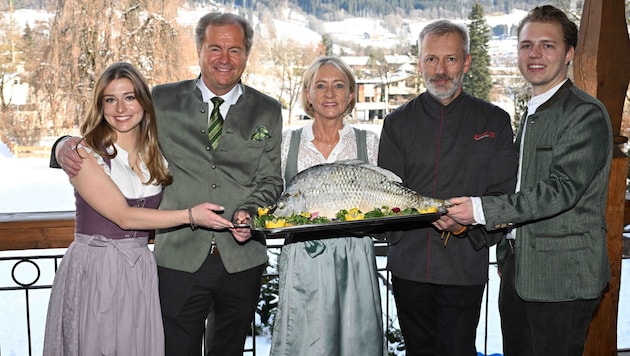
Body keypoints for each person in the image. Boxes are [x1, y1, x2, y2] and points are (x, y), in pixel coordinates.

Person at [50, 13, 284, 356]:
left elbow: (271, 179)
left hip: (243, 260)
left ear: (247, 54)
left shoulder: (268, 109)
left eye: (234, 49)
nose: (224, 58)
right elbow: (114, 121)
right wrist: (62, 144)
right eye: (215, 47)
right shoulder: (161, 100)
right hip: (177, 258)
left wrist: (250, 211)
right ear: (199, 51)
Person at [447, 5, 612, 356]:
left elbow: (559, 190)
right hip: (520, 274)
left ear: (569, 53)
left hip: (561, 281)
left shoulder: (584, 114)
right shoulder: (534, 111)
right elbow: (521, 186)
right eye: (525, 45)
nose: (534, 54)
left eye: (547, 45)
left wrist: (479, 209)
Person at [42, 62, 229, 356]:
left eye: (129, 97)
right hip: (97, 267)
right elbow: (124, 217)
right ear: (100, 106)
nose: (120, 108)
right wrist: (191, 216)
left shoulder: (156, 154)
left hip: (139, 269)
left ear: (143, 101)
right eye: (110, 99)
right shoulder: (84, 153)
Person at [377, 20, 518, 355]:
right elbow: (386, 195)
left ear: (466, 62)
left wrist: (465, 223)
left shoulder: (493, 120)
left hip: (465, 262)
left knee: (459, 349)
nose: (440, 70)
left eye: (450, 60)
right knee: (418, 349)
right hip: (410, 261)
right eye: (431, 60)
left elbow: (503, 192)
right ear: (420, 63)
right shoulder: (397, 123)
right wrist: (423, 215)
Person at [269, 56, 384, 355]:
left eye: (338, 86)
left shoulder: (368, 143)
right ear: (308, 94)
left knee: (355, 341)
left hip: (355, 255)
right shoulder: (287, 143)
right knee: (305, 341)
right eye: (320, 85)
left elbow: (385, 202)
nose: (329, 94)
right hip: (302, 258)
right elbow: (271, 197)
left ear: (350, 96)